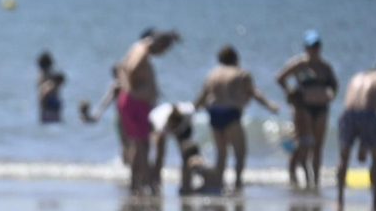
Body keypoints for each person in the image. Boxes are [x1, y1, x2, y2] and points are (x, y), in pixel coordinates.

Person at [194, 45, 280, 192]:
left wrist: (192, 108)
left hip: (214, 112)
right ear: (235, 58)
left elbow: (203, 95)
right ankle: (238, 183)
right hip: (230, 112)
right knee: (240, 152)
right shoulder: (241, 73)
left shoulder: (213, 73)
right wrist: (269, 105)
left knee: (221, 153)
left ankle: (218, 184)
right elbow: (254, 92)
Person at [115, 29, 179, 194]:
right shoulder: (143, 51)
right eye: (164, 49)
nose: (163, 53)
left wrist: (128, 88)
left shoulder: (137, 47)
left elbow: (121, 66)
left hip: (132, 101)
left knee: (138, 144)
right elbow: (131, 68)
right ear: (159, 43)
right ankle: (148, 184)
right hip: (136, 102)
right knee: (143, 145)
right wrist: (134, 90)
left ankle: (136, 184)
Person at [275, 31, 338, 189]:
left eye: (316, 46)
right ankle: (294, 174)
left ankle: (314, 181)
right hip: (303, 108)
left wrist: (331, 95)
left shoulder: (325, 67)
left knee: (317, 146)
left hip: (321, 108)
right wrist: (289, 91)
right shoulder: (299, 64)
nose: (314, 49)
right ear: (305, 47)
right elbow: (280, 77)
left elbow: (334, 85)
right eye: (311, 46)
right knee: (304, 144)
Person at [335, 60, 376, 210]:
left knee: (343, 157)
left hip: (346, 114)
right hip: (368, 115)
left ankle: (339, 200)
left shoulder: (358, 76)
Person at [151, 102, 224, 196]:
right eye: (173, 127)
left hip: (182, 124)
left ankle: (186, 185)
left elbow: (200, 103)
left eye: (175, 127)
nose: (174, 131)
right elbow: (159, 152)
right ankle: (156, 183)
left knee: (187, 153)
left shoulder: (188, 114)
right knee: (159, 155)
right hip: (159, 123)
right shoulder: (160, 122)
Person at [36, 51, 65, 123]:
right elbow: (42, 92)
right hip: (47, 110)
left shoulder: (51, 75)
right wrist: (53, 85)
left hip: (53, 109)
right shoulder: (42, 76)